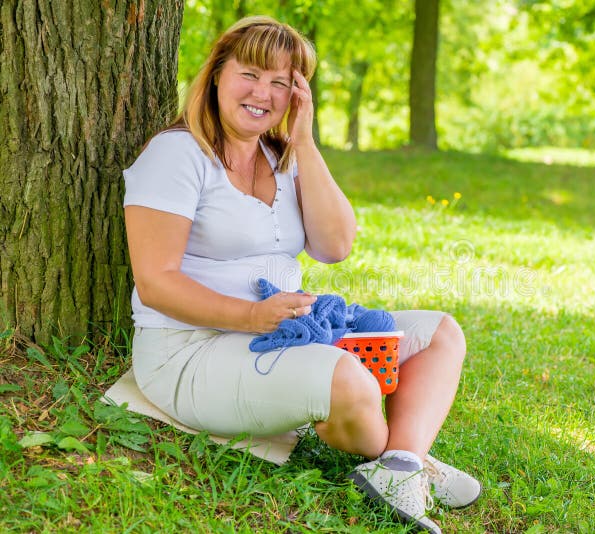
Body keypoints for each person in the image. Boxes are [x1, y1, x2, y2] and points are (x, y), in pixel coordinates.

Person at [123, 16, 479, 533]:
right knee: (351, 383)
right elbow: (155, 281)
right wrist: (250, 315)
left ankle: (399, 465)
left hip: (282, 336)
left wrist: (305, 143)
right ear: (218, 73)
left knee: (439, 334)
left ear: (298, 94)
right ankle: (407, 456)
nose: (262, 93)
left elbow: (336, 246)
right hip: (190, 351)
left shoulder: (283, 156)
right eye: (250, 73)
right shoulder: (177, 154)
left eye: (281, 82)